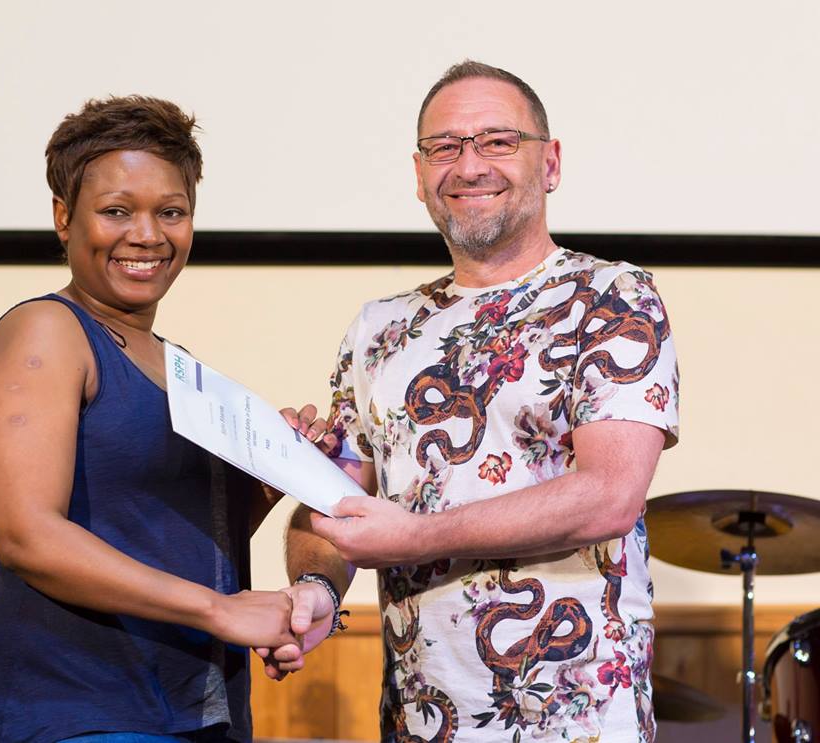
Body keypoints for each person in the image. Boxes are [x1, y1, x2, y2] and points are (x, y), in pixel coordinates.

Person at [267, 62, 680, 743]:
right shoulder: (378, 328)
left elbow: (610, 495)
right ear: (420, 171)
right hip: (419, 718)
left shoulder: (611, 296)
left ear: (549, 163)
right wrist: (315, 587)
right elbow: (334, 500)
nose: (469, 164)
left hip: (577, 723)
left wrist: (414, 536)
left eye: (496, 140)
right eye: (446, 146)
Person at [0, 96, 326, 743]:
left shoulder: (180, 366)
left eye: (171, 212)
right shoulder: (46, 330)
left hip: (195, 713)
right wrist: (220, 610)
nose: (148, 234)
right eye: (117, 210)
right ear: (63, 218)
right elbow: (25, 534)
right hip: (72, 712)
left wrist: (270, 481)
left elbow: (162, 535)